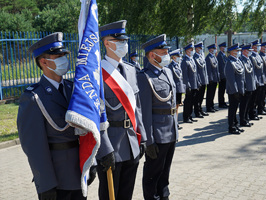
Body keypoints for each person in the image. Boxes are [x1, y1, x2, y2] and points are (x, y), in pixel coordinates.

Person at [17, 32, 87, 200]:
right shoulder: (33, 97)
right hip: (57, 178)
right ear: (44, 62)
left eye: (64, 54)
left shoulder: (73, 90)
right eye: (58, 55)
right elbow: (34, 147)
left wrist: (89, 163)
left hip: (78, 172)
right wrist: (45, 183)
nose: (63, 58)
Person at [96, 20, 147, 200]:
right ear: (106, 43)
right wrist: (104, 149)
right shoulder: (96, 74)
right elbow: (95, 116)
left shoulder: (131, 70)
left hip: (131, 142)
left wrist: (143, 138)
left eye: (124, 40)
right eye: (118, 41)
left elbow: (137, 108)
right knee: (109, 195)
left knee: (126, 194)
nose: (123, 44)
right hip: (111, 145)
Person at [138, 34, 178, 200]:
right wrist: (148, 140)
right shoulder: (144, 76)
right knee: (153, 172)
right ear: (152, 55)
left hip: (171, 130)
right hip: (157, 134)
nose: (166, 54)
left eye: (166, 50)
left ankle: (164, 195)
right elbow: (144, 112)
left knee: (165, 171)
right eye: (163, 51)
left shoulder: (167, 71)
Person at [225, 43, 245, 134]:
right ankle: (231, 127)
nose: (239, 52)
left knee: (236, 108)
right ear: (232, 52)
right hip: (233, 90)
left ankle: (236, 125)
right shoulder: (229, 62)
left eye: (239, 51)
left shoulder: (237, 61)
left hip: (239, 89)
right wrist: (235, 91)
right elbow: (231, 79)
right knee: (232, 109)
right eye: (237, 51)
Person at [181, 42, 200, 123]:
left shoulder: (191, 59)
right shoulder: (184, 61)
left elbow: (195, 73)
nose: (192, 51)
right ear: (187, 51)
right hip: (189, 85)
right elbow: (185, 75)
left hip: (194, 84)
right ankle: (186, 117)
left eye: (192, 50)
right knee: (188, 101)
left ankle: (190, 115)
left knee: (192, 101)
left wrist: (198, 82)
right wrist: (187, 86)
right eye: (191, 50)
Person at [168, 49, 185, 129]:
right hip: (174, 89)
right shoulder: (171, 66)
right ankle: (174, 123)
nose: (179, 58)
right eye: (178, 56)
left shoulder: (177, 65)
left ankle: (176, 122)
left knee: (177, 107)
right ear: (174, 57)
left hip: (179, 89)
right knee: (174, 107)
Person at [239, 44, 256, 127]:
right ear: (244, 51)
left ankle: (246, 118)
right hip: (246, 86)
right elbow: (242, 75)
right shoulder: (242, 60)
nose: (250, 52)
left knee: (248, 103)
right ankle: (243, 120)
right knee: (243, 104)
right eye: (249, 51)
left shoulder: (248, 59)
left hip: (250, 85)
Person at [249, 39, 265, 119]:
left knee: (257, 97)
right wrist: (255, 80)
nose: (259, 47)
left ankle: (255, 113)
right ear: (253, 47)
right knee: (253, 99)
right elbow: (253, 70)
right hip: (256, 80)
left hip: (260, 79)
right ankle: (252, 114)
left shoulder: (257, 55)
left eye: (259, 46)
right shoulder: (252, 56)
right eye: (257, 46)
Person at [193, 41, 209, 118]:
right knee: (197, 98)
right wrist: (198, 80)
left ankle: (200, 109)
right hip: (199, 81)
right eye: (200, 48)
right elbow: (195, 71)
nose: (201, 49)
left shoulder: (201, 56)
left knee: (202, 96)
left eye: (201, 48)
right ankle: (197, 111)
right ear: (196, 49)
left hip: (203, 80)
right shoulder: (194, 57)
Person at [205, 43, 220, 112]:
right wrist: (210, 79)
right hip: (211, 79)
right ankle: (209, 107)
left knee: (213, 93)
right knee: (210, 94)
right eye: (214, 49)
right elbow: (209, 70)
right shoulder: (208, 58)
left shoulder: (213, 57)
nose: (215, 50)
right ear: (210, 50)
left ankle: (212, 106)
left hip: (215, 78)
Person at [217, 42, 229, 108]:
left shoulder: (223, 55)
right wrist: (223, 76)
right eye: (224, 47)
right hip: (222, 76)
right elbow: (221, 67)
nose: (225, 48)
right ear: (221, 48)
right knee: (221, 90)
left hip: (225, 76)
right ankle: (221, 103)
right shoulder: (220, 55)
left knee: (223, 90)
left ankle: (223, 102)